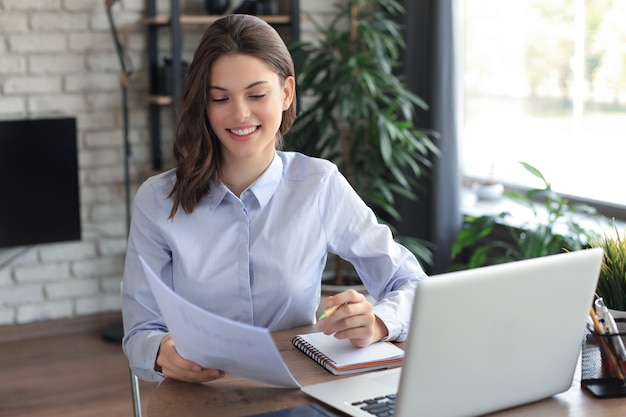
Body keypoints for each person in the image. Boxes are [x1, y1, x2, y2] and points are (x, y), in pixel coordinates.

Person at [122, 14, 427, 383]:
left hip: (298, 392)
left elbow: (412, 283)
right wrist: (162, 352)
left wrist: (378, 321)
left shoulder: (318, 185)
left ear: (286, 93)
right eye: (220, 98)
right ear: (204, 104)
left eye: (256, 94)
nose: (240, 114)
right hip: (200, 397)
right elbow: (140, 332)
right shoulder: (157, 201)